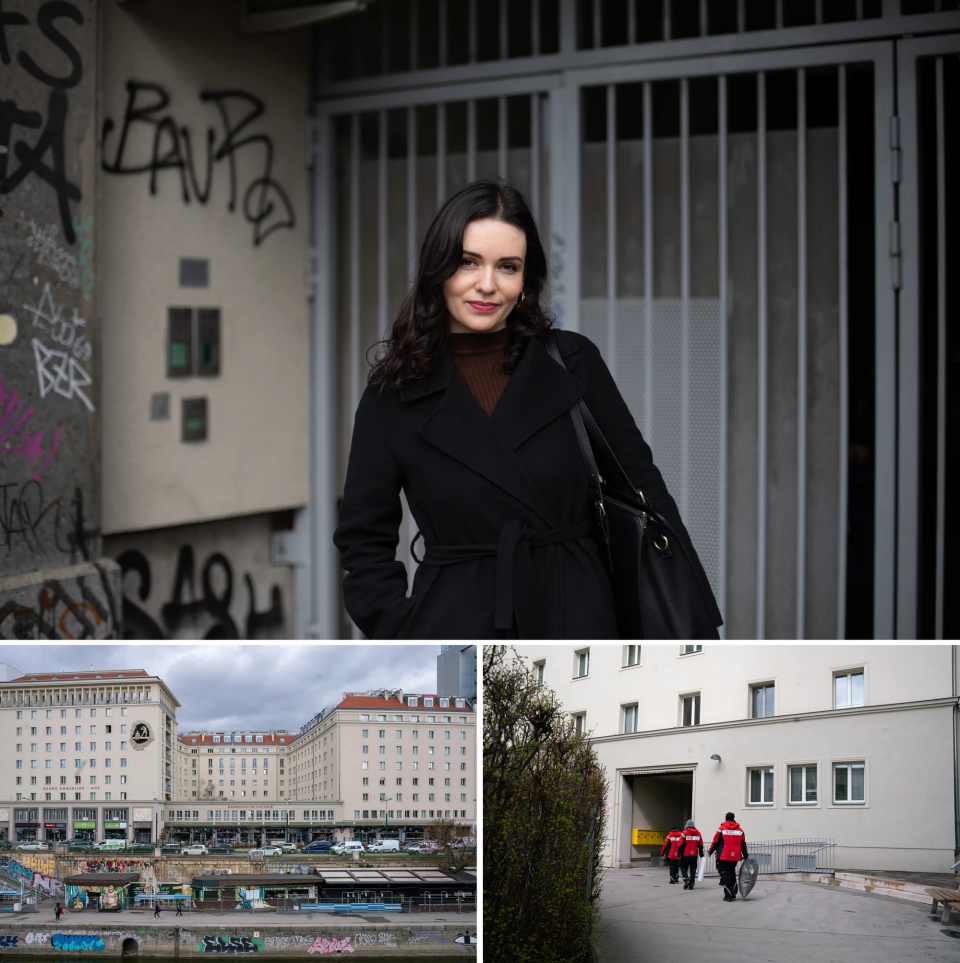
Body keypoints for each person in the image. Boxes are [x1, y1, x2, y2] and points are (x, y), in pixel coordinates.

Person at [334, 179, 720, 639]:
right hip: (456, 618)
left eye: (508, 267)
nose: (487, 285)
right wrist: (404, 630)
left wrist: (683, 617)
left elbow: (644, 489)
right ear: (439, 269)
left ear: (525, 280)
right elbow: (364, 541)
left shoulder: (573, 361)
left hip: (578, 611)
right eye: (468, 262)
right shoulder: (393, 393)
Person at [708, 811, 748, 902]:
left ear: (726, 819)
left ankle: (728, 895)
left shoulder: (721, 829)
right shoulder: (740, 830)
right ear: (734, 818)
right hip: (735, 857)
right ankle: (733, 892)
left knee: (725, 874)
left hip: (724, 856)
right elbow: (743, 844)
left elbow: (715, 842)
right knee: (732, 873)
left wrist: (710, 851)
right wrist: (746, 856)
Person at [678, 819, 703, 889]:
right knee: (693, 870)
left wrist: (678, 855)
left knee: (683, 868)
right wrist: (701, 855)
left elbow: (680, 845)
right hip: (694, 856)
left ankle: (686, 880)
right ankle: (692, 884)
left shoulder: (684, 833)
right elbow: (700, 845)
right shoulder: (698, 833)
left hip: (685, 855)